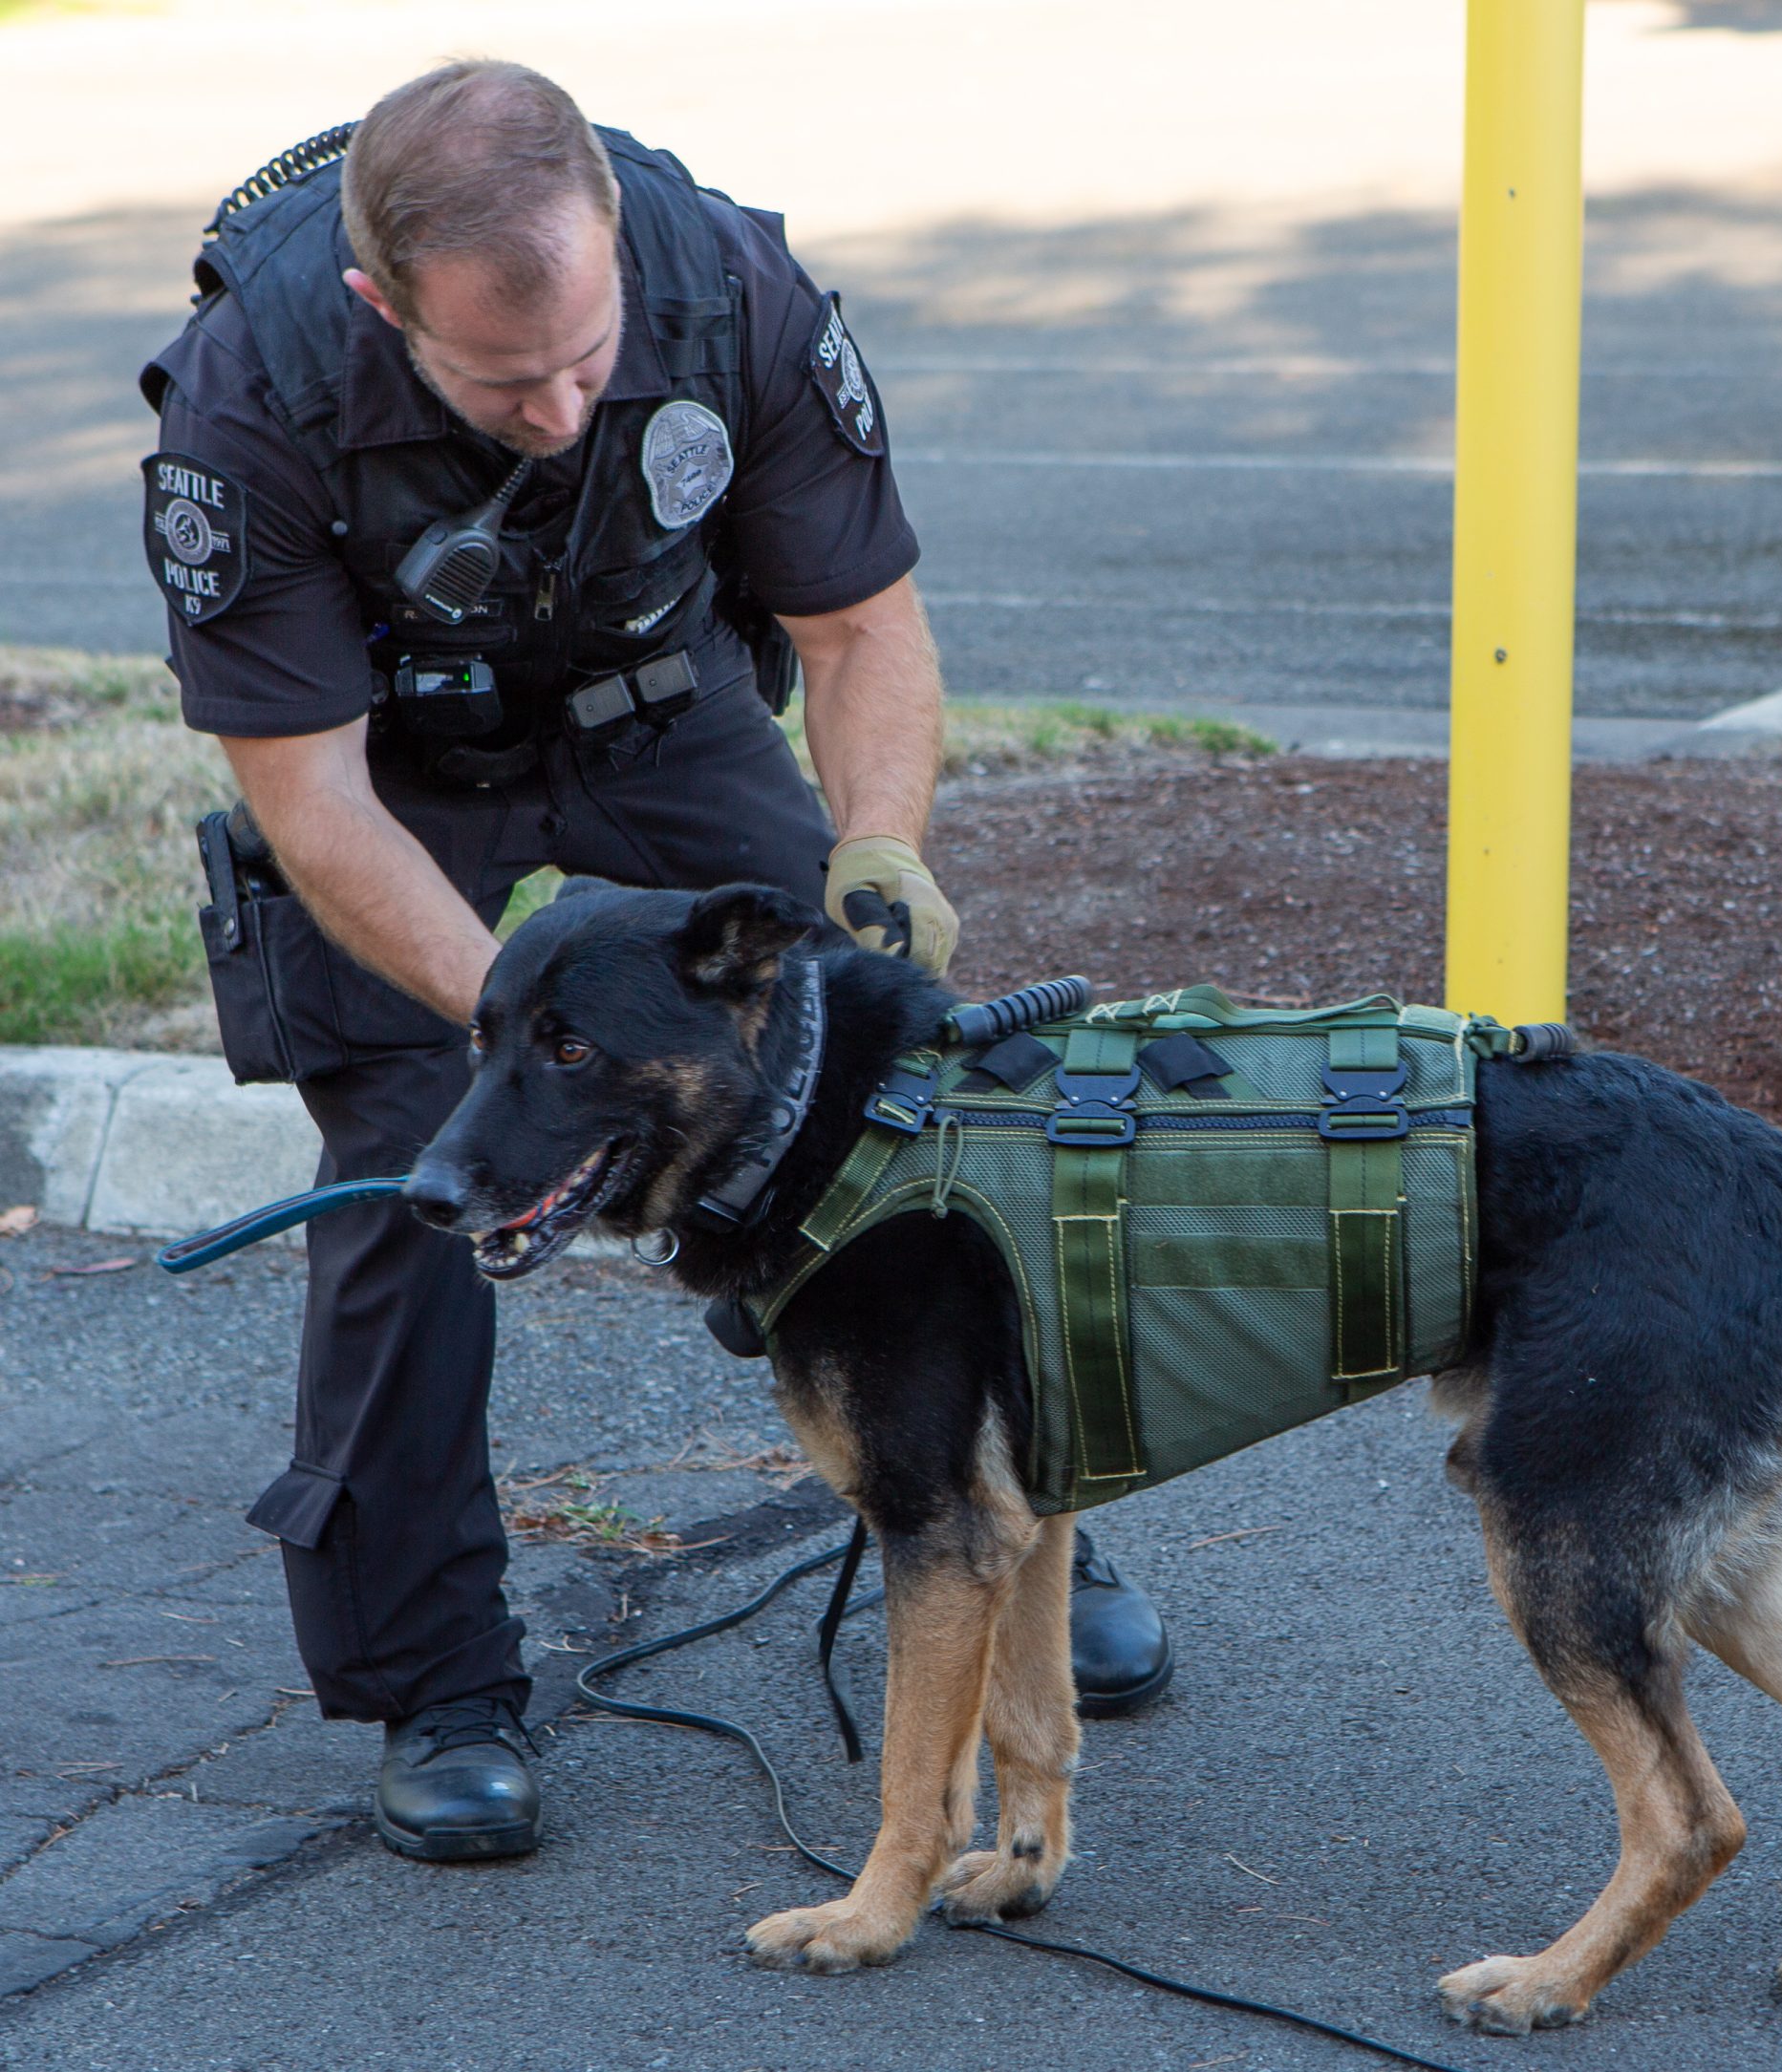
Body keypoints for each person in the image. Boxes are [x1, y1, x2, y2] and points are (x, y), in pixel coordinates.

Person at [140, 61, 1171, 1864]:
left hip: (657, 708)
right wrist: (524, 1045)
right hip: (399, 776)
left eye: (586, 356)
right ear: (387, 306)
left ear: (615, 234)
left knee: (895, 1072)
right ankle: (441, 1681)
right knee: (427, 1172)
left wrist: (880, 858)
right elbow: (311, 804)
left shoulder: (733, 283)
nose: (555, 407)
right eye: (496, 379)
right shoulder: (255, 388)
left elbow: (859, 629)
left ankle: (1000, 1515)